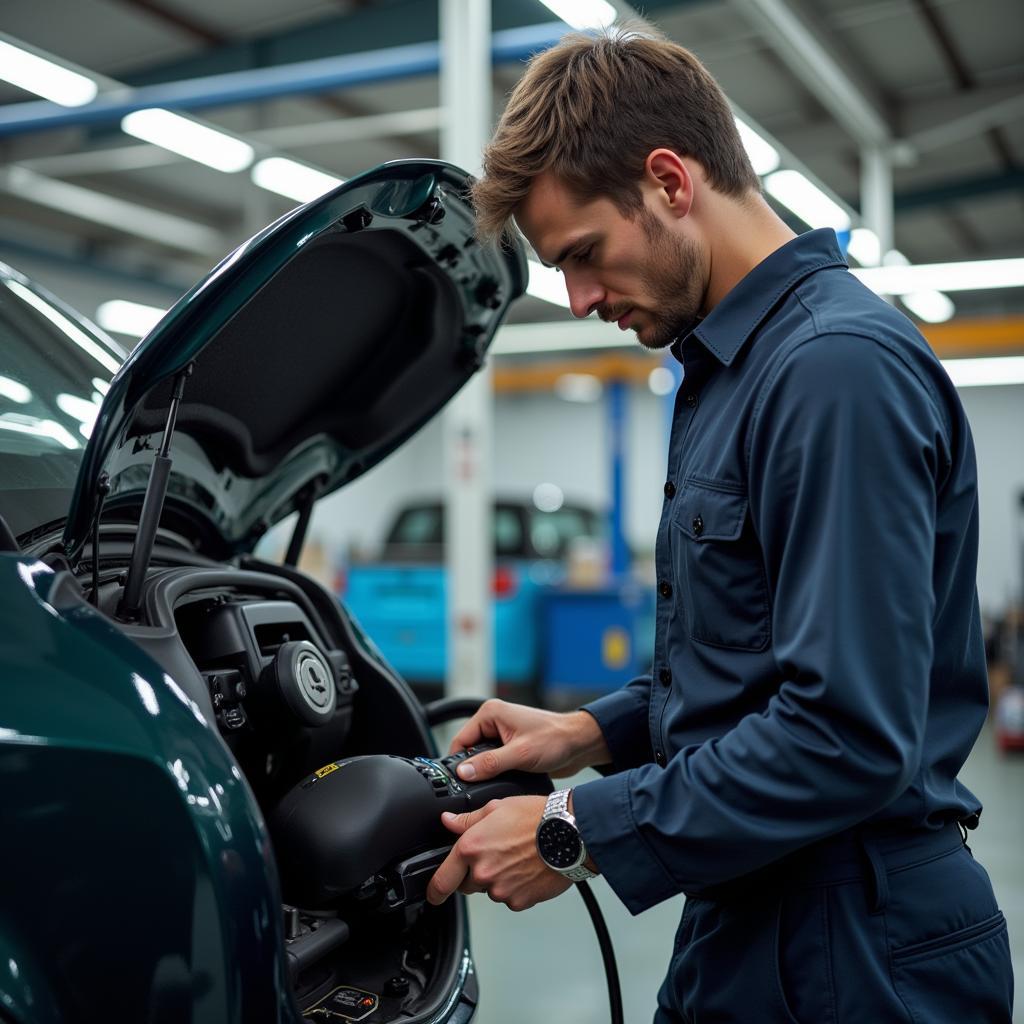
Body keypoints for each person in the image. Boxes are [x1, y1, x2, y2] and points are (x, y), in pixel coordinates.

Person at [425, 26, 1014, 1024]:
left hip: (856, 947)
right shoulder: (731, 374)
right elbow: (752, 662)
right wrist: (586, 732)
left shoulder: (833, 371)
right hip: (753, 910)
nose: (578, 299)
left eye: (582, 255)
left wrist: (572, 830)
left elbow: (842, 734)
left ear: (667, 180)